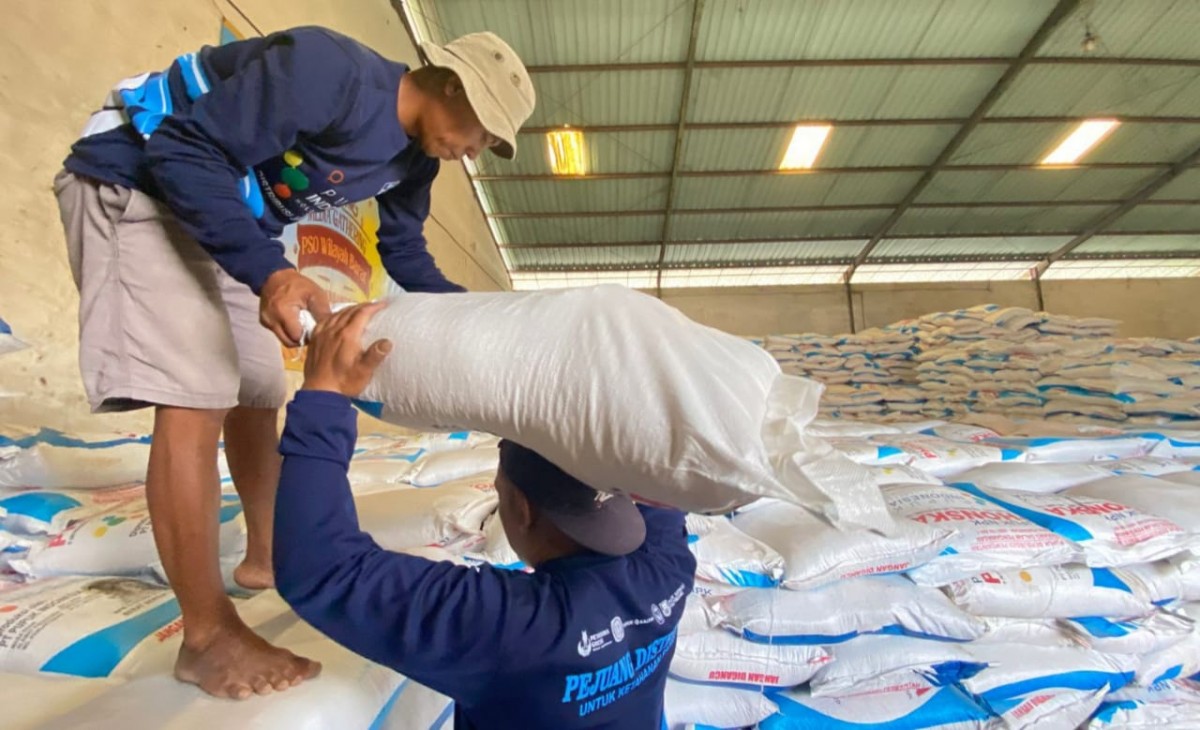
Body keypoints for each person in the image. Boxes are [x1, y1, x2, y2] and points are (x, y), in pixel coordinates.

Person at [52, 27, 535, 699]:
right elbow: (181, 148)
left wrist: (486, 321)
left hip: (221, 220)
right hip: (138, 184)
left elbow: (406, 254)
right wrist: (270, 274)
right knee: (195, 393)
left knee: (255, 388)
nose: (472, 151)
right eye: (479, 131)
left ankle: (267, 555)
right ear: (449, 83)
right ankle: (206, 636)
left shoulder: (413, 162)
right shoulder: (331, 72)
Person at [273, 302, 696, 729]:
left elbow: (321, 567)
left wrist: (325, 395)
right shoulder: (667, 566)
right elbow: (663, 473)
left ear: (521, 510)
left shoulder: (509, 628)